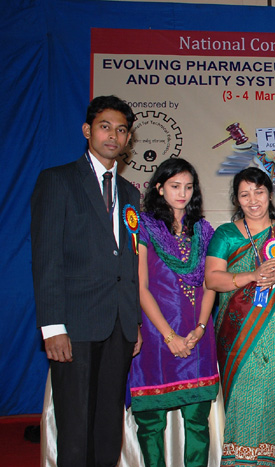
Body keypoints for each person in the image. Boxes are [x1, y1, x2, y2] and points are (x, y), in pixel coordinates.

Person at [30, 95, 142, 466]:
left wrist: (134, 321)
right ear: (87, 130)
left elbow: (128, 259)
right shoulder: (58, 180)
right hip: (74, 324)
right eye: (105, 127)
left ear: (128, 139)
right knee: (75, 426)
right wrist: (52, 327)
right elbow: (46, 258)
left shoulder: (130, 192)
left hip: (119, 325)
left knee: (109, 425)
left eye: (121, 130)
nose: (113, 135)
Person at [204, 167, 275, 467]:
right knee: (246, 404)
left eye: (259, 192)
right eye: (245, 194)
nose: (253, 200)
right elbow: (213, 279)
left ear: (270, 194)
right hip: (239, 338)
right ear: (236, 199)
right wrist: (252, 275)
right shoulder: (226, 234)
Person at [127, 158, 219, 466]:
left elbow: (209, 283)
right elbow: (141, 288)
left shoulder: (203, 231)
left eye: (188, 187)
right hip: (156, 338)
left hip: (197, 337)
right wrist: (170, 337)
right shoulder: (144, 227)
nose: (182, 193)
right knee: (151, 424)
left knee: (197, 422)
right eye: (175, 186)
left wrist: (201, 328)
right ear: (159, 188)